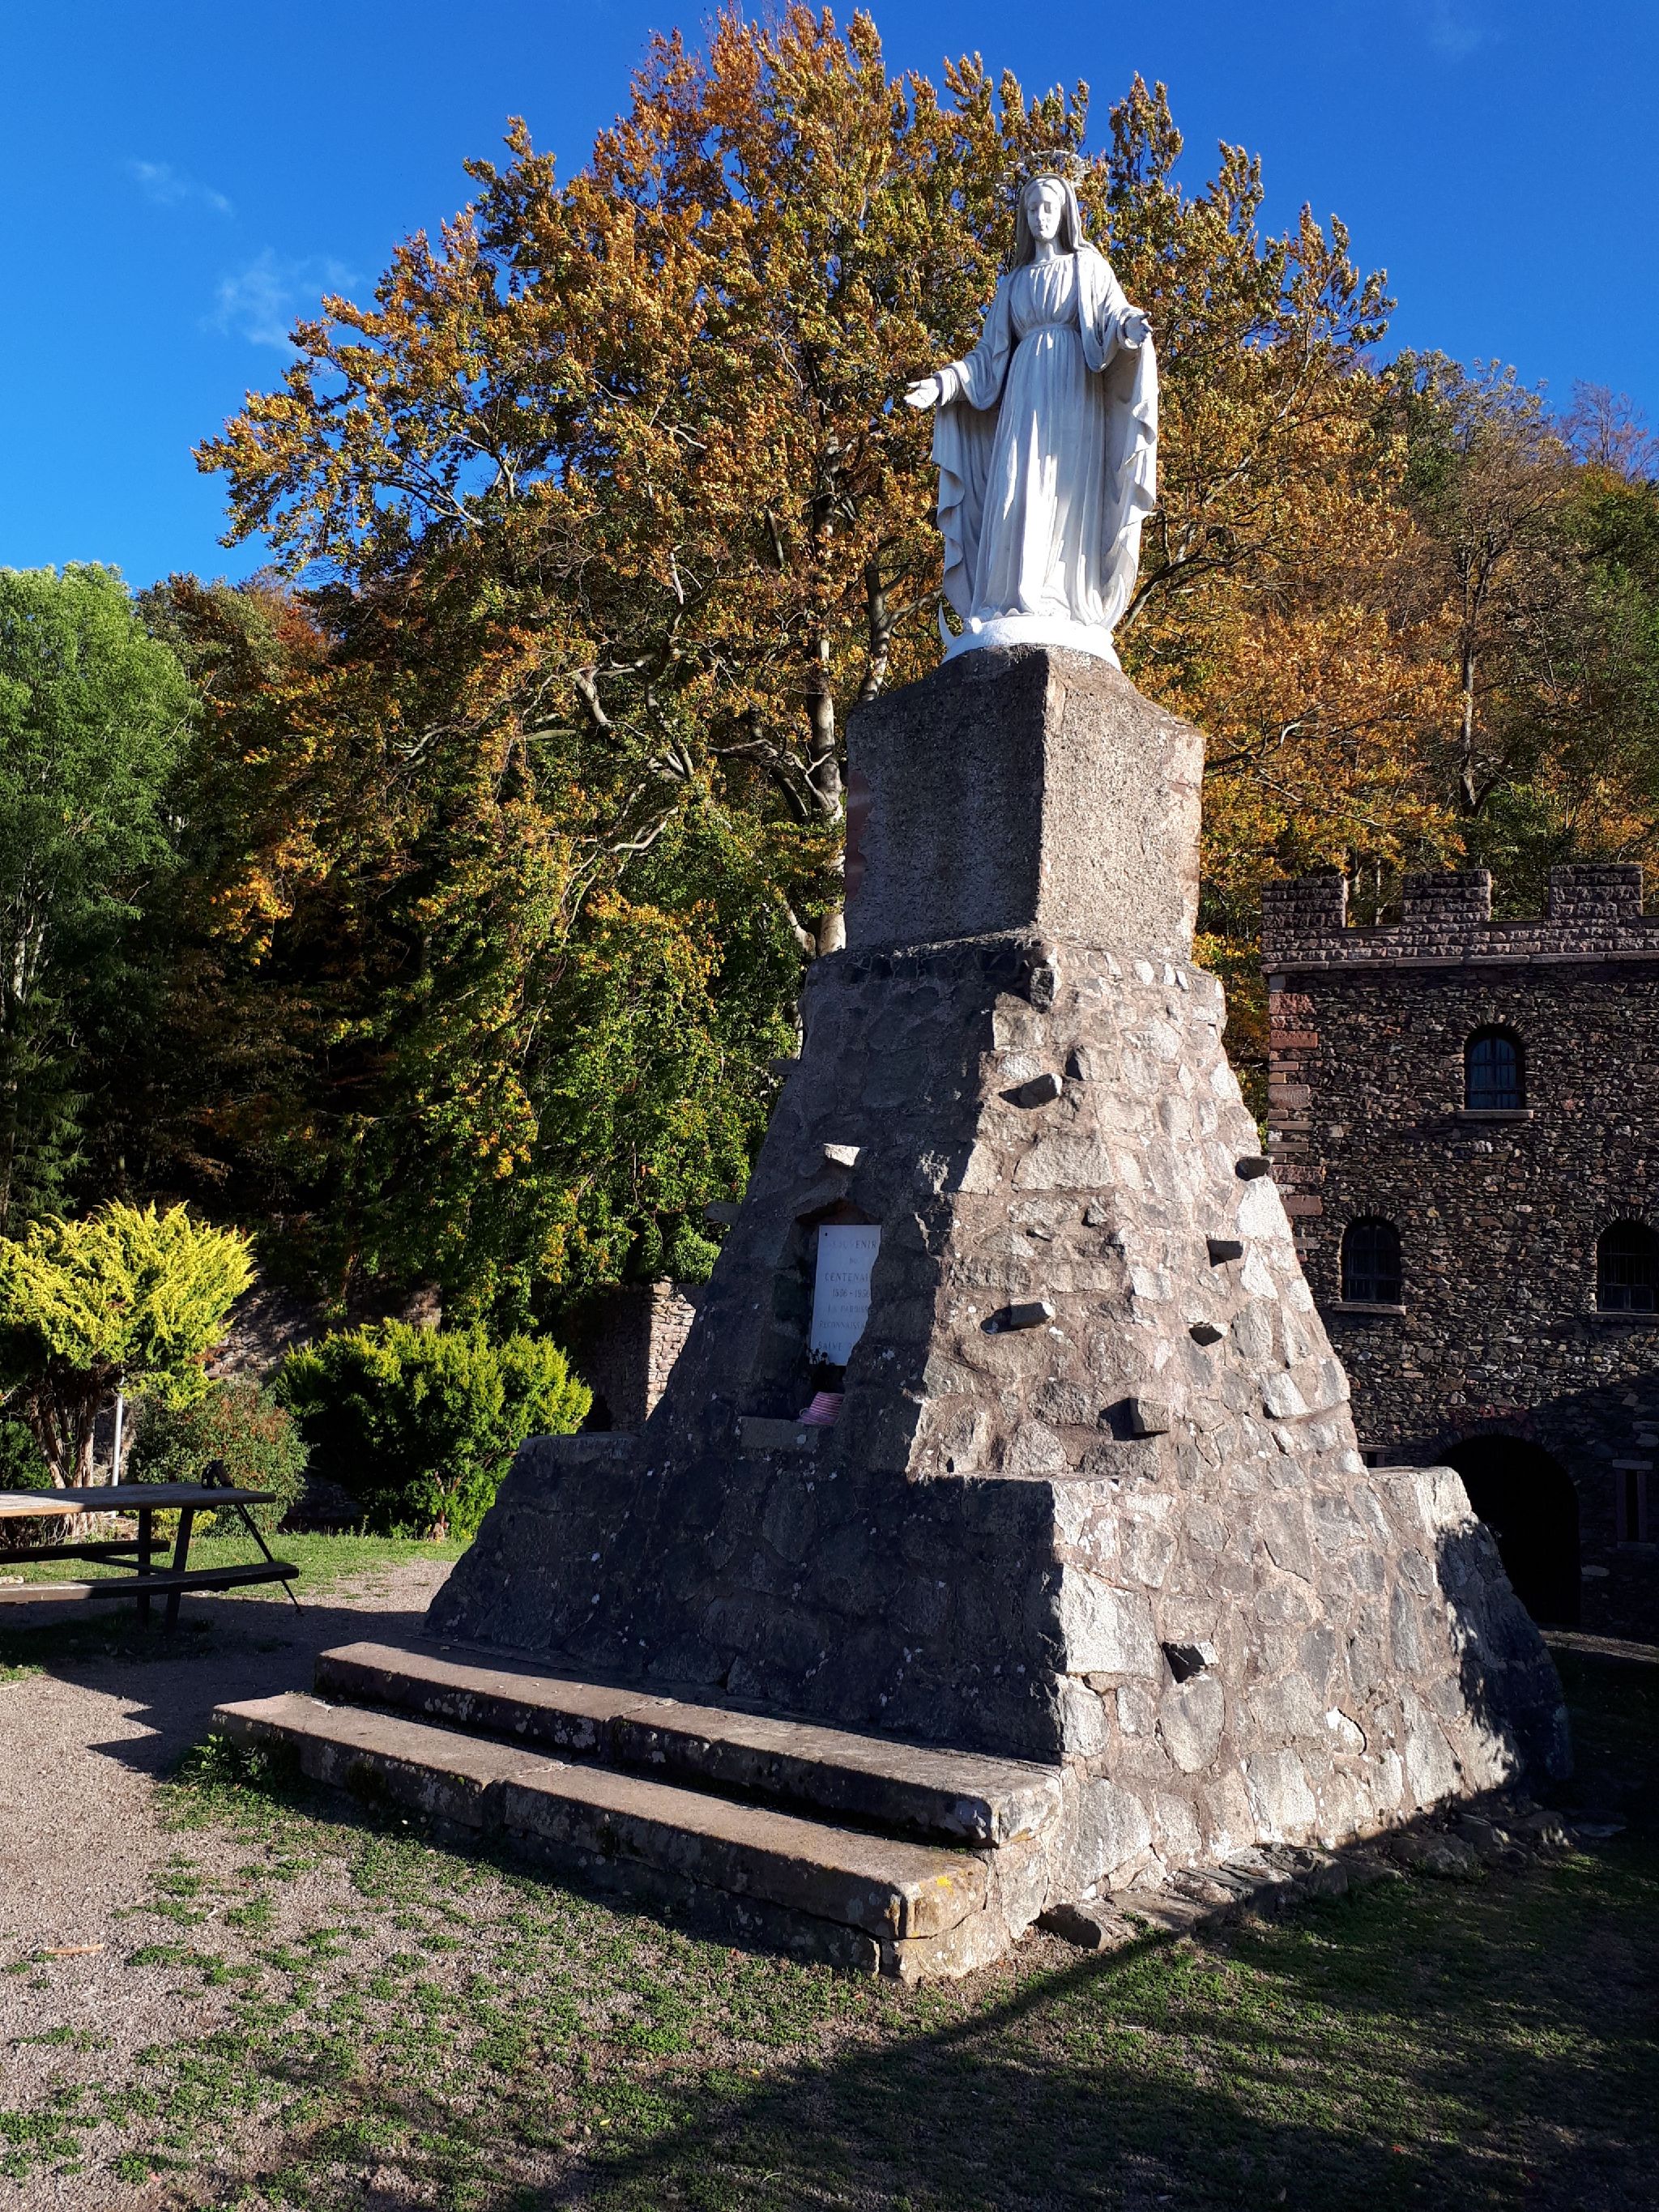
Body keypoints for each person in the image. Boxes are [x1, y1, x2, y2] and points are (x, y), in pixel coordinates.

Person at [905, 161, 1158, 664]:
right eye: (1033, 209)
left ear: (1065, 215)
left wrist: (1130, 328)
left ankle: (1059, 598)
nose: (1041, 217)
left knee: (1065, 491)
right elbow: (987, 358)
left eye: (1049, 208)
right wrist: (944, 383)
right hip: (1023, 395)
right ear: (1024, 217)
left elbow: (1113, 314)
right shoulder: (1012, 285)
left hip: (1075, 394)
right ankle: (1007, 599)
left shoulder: (1088, 268)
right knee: (1014, 489)